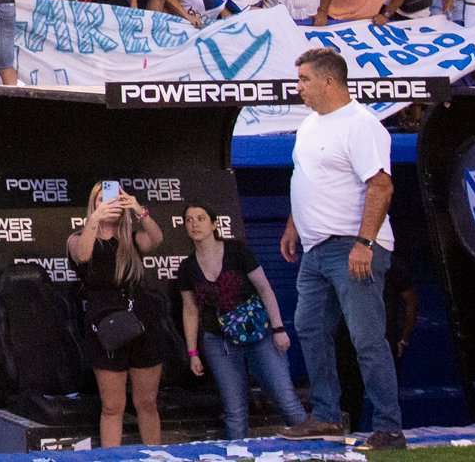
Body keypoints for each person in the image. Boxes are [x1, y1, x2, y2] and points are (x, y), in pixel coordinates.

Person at [278, 48, 404, 450]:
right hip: (315, 248)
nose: (299, 88)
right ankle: (327, 416)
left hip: (352, 245)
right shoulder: (310, 125)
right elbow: (309, 176)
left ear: (329, 81)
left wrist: (364, 243)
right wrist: (293, 224)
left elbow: (381, 185)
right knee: (310, 326)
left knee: (367, 338)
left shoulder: (361, 125)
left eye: (304, 80)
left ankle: (389, 427)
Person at [176, 202, 307, 439]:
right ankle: (238, 453)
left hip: (259, 333)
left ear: (214, 224)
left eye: (200, 218)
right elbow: (190, 310)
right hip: (219, 340)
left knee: (286, 399)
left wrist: (279, 328)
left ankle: (316, 449)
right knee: (234, 410)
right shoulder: (187, 267)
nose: (194, 224)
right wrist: (193, 352)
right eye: (189, 220)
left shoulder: (237, 251)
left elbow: (265, 289)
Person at [67, 181, 166, 447]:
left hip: (141, 323)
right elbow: (83, 255)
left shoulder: (130, 239)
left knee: (147, 402)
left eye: (113, 199)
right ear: (94, 204)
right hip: (105, 329)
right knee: (112, 406)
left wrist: (138, 209)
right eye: (101, 199)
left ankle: (155, 455)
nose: (108, 204)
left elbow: (156, 239)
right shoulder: (78, 237)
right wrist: (95, 220)